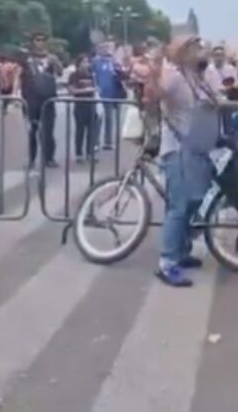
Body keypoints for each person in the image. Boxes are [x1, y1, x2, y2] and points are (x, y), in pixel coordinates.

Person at [144, 36, 218, 288]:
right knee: (179, 204)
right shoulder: (174, 76)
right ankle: (167, 263)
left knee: (195, 201)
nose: (201, 49)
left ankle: (182, 250)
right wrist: (152, 75)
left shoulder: (193, 76)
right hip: (176, 149)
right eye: (196, 46)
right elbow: (154, 96)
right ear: (184, 51)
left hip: (194, 147)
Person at [19, 31, 61, 170]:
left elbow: (59, 72)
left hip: (48, 99)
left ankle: (49, 158)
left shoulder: (51, 58)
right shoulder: (27, 60)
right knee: (33, 131)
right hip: (31, 99)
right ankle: (32, 159)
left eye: (43, 40)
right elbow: (21, 77)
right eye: (37, 40)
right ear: (33, 42)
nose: (40, 43)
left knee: (48, 131)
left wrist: (55, 63)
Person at [93, 42, 127, 151]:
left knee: (109, 119)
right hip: (99, 94)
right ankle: (95, 142)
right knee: (97, 119)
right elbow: (92, 76)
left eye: (108, 48)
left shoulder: (114, 62)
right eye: (103, 48)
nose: (106, 50)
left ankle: (108, 142)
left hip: (111, 94)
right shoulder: (95, 62)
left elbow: (121, 76)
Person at [68, 54, 99, 163]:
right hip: (80, 105)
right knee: (80, 131)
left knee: (92, 131)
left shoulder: (91, 75)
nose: (86, 64)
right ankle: (79, 153)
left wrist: (94, 90)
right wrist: (87, 90)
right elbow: (72, 91)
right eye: (84, 62)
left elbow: (96, 89)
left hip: (91, 105)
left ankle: (90, 153)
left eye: (87, 62)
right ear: (79, 63)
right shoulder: (74, 75)